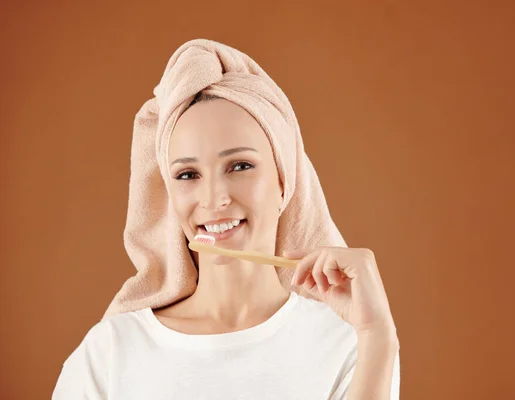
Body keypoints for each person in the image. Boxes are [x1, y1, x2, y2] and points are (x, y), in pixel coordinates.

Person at [52, 39, 400, 399]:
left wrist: (378, 335)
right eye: (187, 174)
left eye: (240, 166)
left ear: (285, 181)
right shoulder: (110, 352)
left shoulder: (350, 340)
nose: (214, 198)